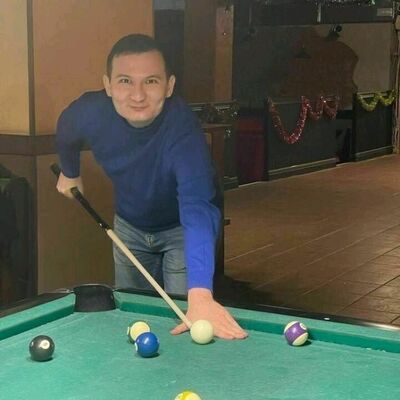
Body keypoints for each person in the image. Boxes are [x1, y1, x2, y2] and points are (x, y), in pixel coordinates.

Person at [55, 33, 247, 340]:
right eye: (125, 81)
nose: (138, 95)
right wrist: (70, 171)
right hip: (129, 227)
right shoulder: (90, 112)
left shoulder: (184, 132)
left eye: (151, 81)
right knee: (136, 322)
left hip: (180, 232)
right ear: (108, 85)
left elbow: (197, 210)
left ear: (169, 86)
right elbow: (66, 127)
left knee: (185, 320)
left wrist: (200, 294)